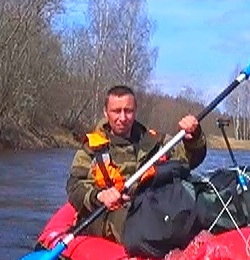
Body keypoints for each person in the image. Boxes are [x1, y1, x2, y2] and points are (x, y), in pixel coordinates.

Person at [65, 85, 206, 242]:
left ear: (135, 111)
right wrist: (99, 195)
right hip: (110, 213)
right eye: (116, 111)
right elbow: (74, 186)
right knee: (138, 222)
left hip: (151, 205)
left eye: (128, 111)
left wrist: (195, 136)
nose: (123, 118)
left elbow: (191, 160)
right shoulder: (91, 149)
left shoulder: (154, 141)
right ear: (106, 112)